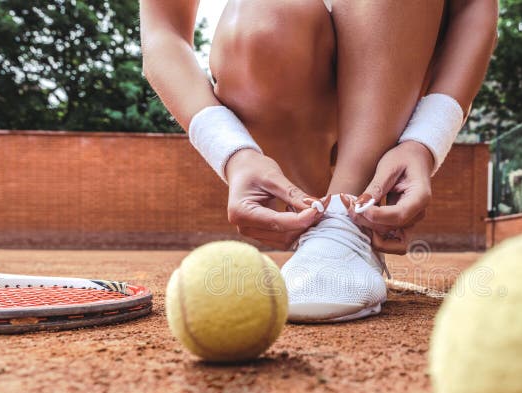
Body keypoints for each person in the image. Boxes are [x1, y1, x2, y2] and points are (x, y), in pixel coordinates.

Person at [140, 0, 499, 322]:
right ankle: (320, 220)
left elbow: (473, 6)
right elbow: (163, 31)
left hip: (404, 60)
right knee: (261, 21)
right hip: (292, 66)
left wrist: (424, 141)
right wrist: (235, 154)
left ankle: (351, 214)